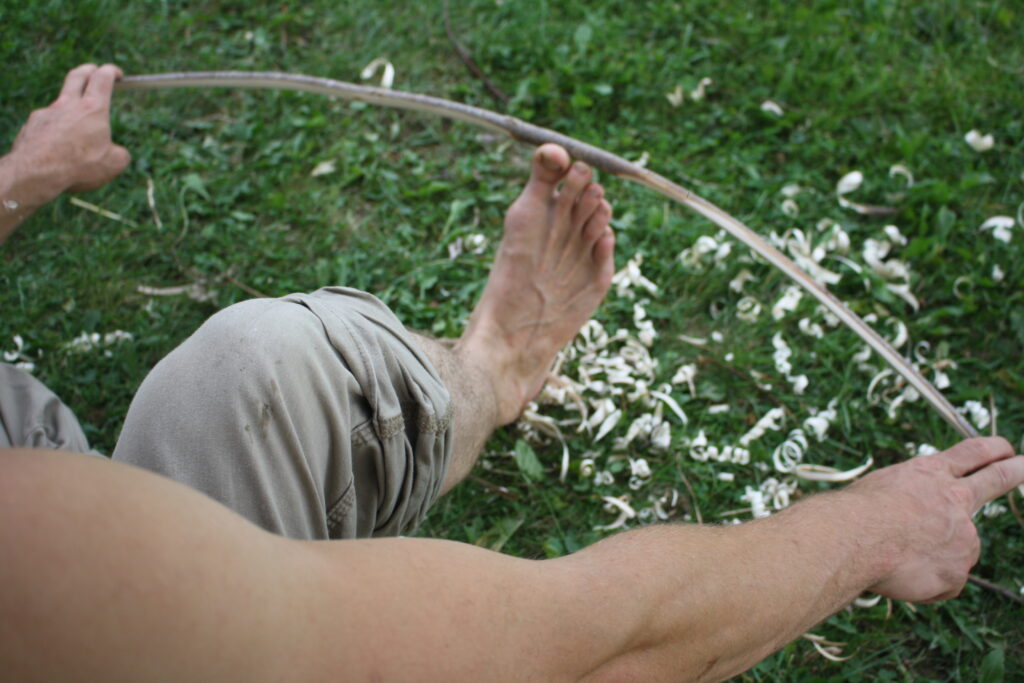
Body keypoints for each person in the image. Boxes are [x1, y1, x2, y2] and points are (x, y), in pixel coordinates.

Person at [1, 63, 1022, 683]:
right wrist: (874, 526)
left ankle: (487, 375)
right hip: (61, 597)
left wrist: (20, 180)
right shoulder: (38, 565)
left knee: (258, 364)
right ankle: (492, 366)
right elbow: (587, 649)